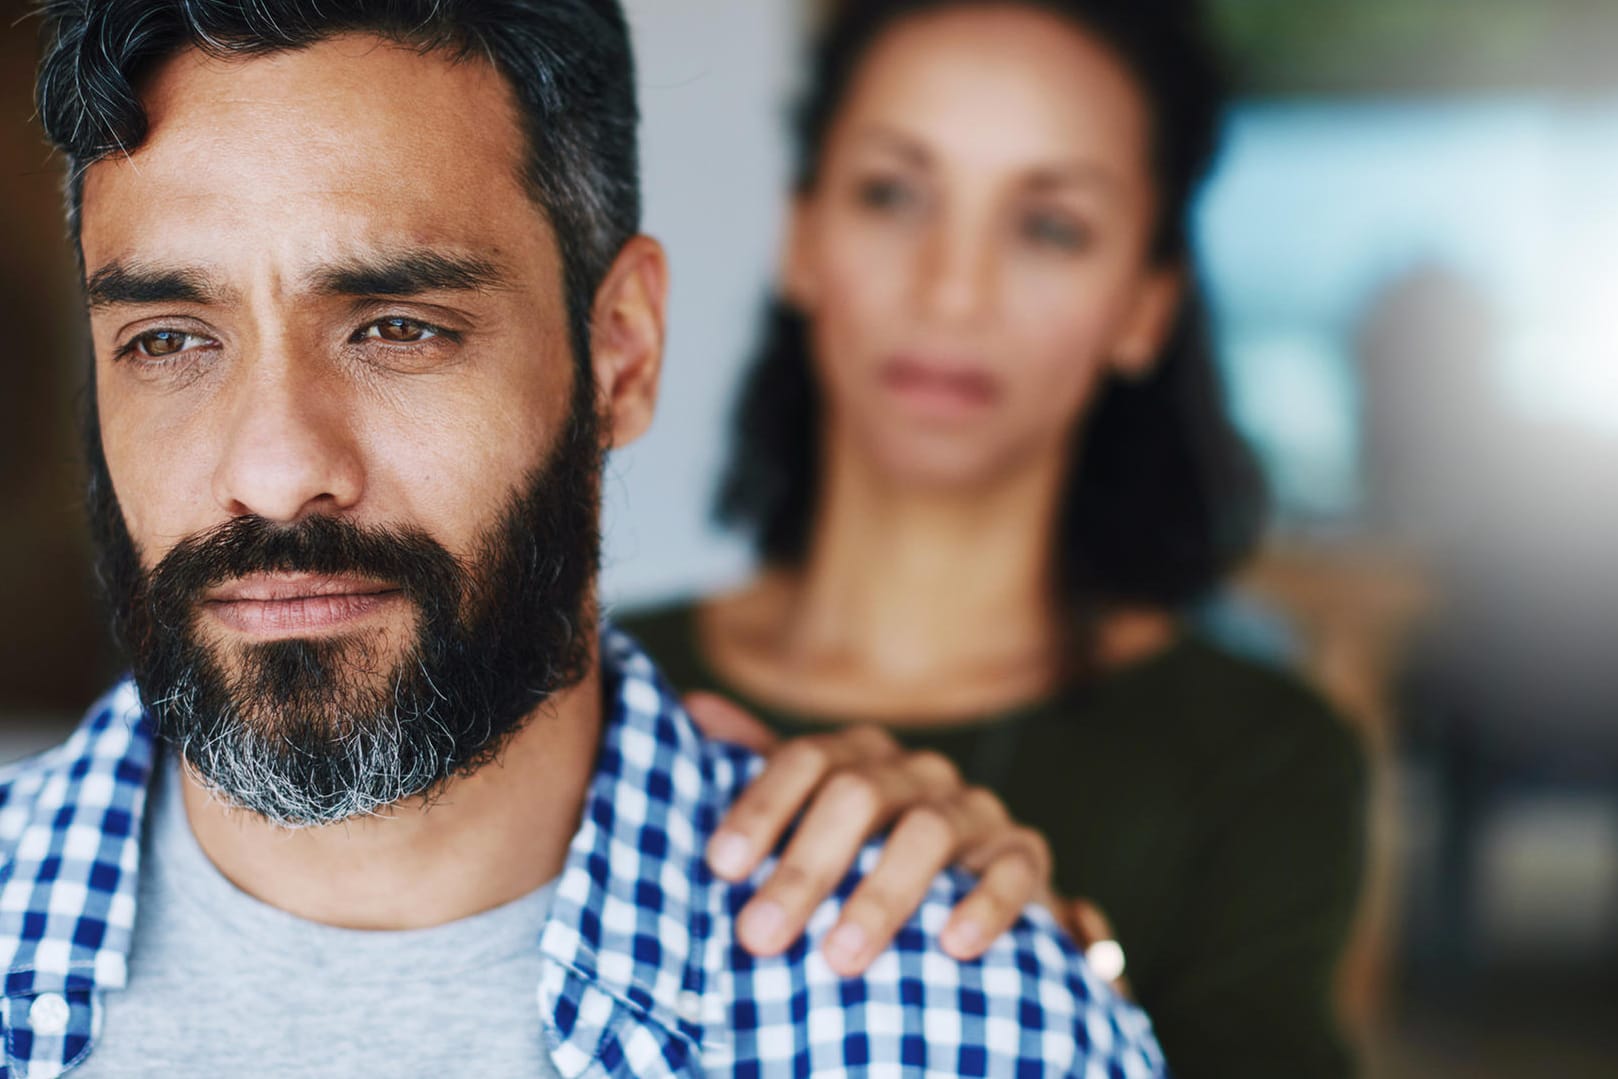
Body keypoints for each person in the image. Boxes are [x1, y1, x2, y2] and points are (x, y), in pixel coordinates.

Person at [0, 1, 1166, 1076]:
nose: (274, 469)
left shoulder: (969, 1029)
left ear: (620, 350)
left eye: (398, 327)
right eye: (167, 339)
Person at [621, 1, 1370, 1075]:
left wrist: (1055, 965)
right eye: (892, 194)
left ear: (1144, 306)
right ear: (802, 239)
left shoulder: (1262, 758)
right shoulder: (583, 682)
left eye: (1048, 225)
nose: (951, 290)